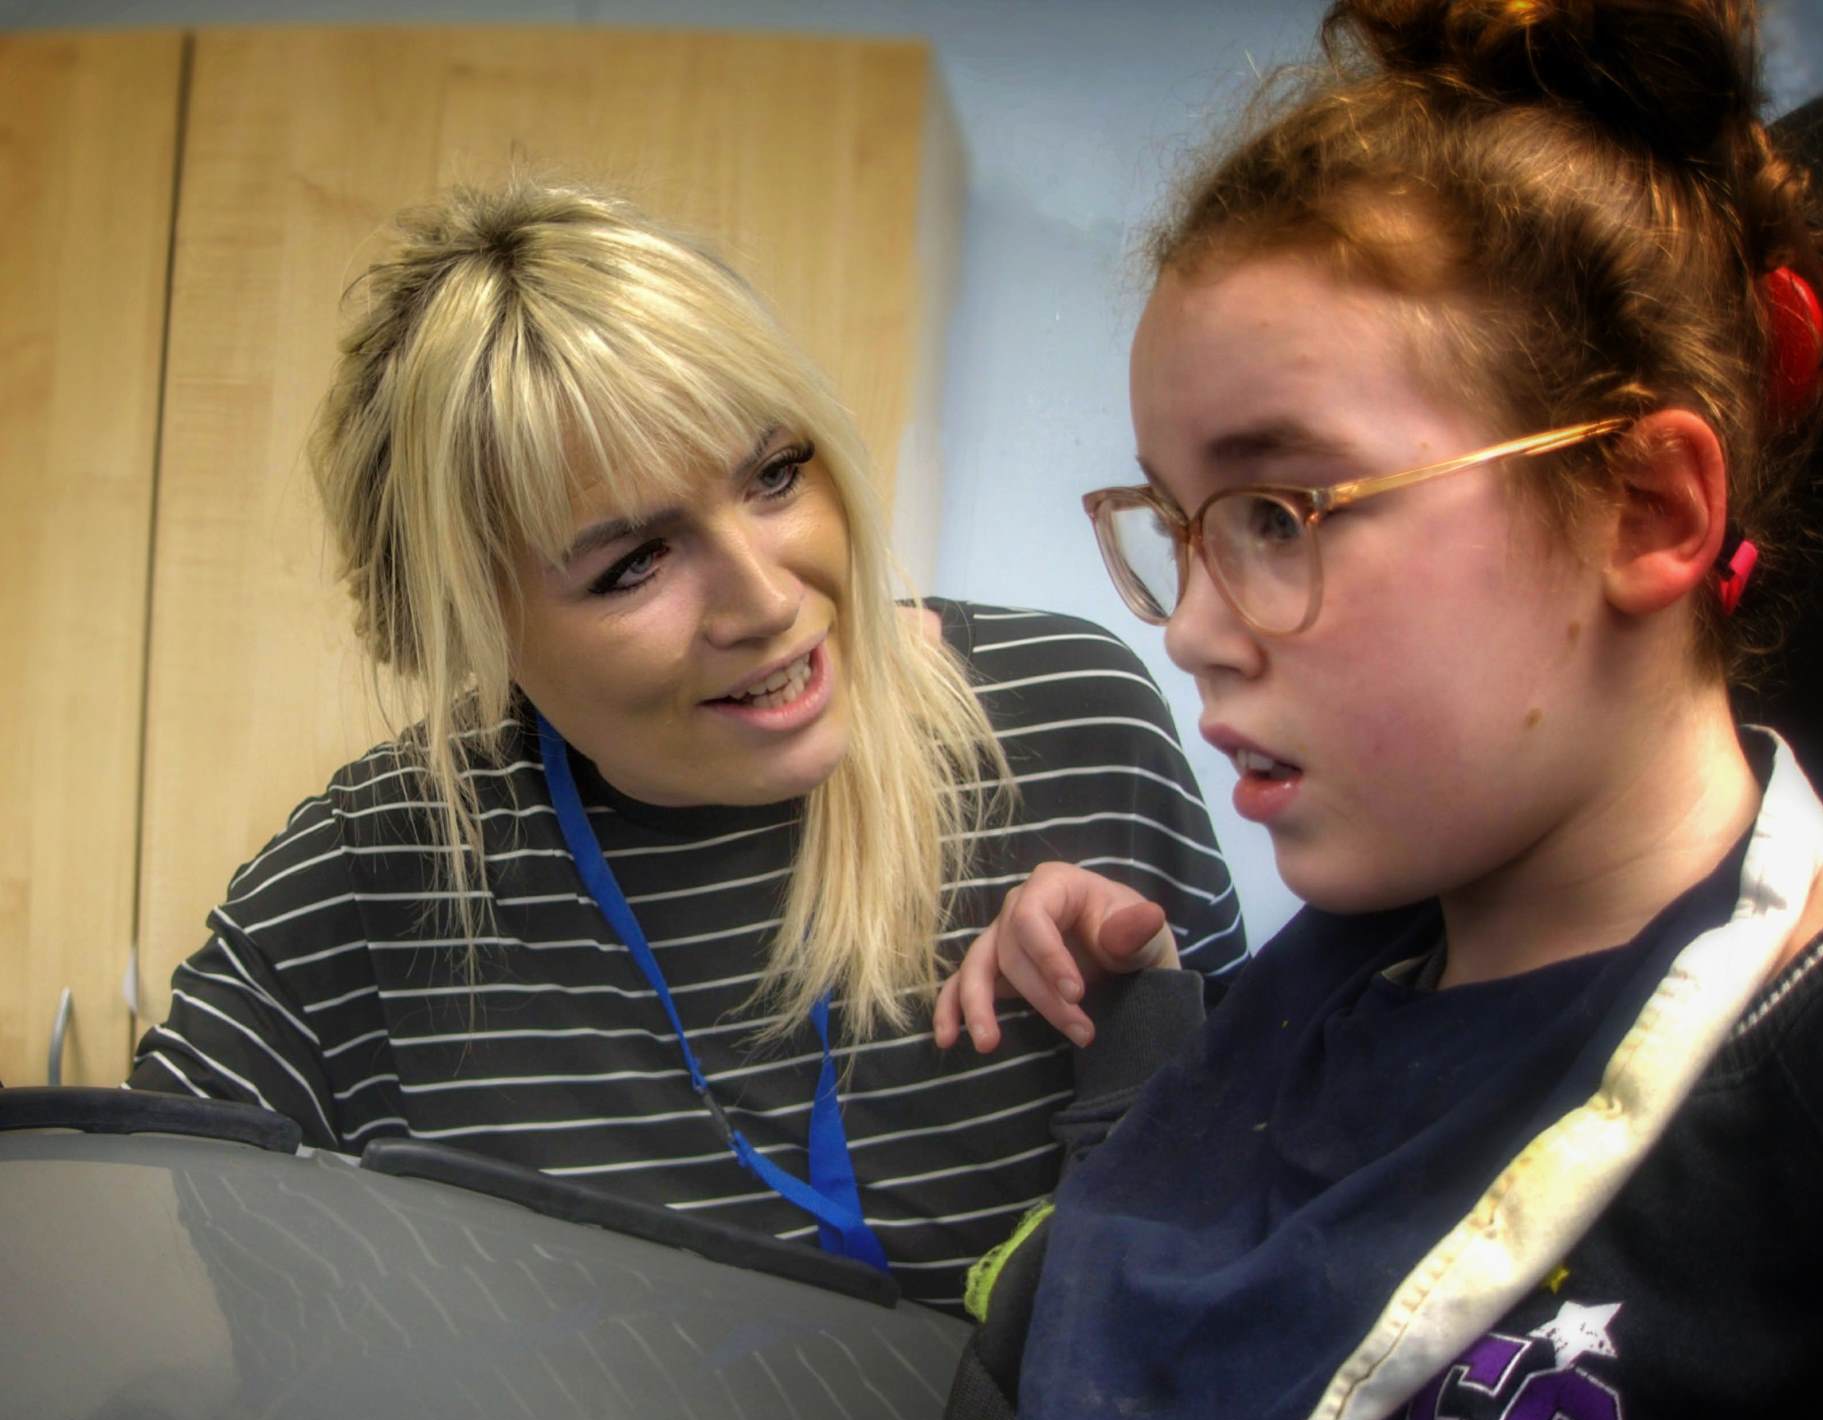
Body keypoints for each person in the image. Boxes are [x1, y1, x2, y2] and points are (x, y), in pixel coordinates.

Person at [930, 1, 1823, 1420]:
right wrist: (1139, 1028)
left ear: (1646, 509)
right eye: (1178, 528)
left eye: (1279, 516)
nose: (1190, 630)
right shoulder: (1326, 997)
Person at [128, 177, 1248, 1312]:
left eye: (775, 475)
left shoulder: (1071, 721)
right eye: (633, 564)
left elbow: (1267, 1219)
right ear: (466, 632)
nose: (768, 600)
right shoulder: (377, 881)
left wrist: (1146, 1041)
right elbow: (148, 1243)